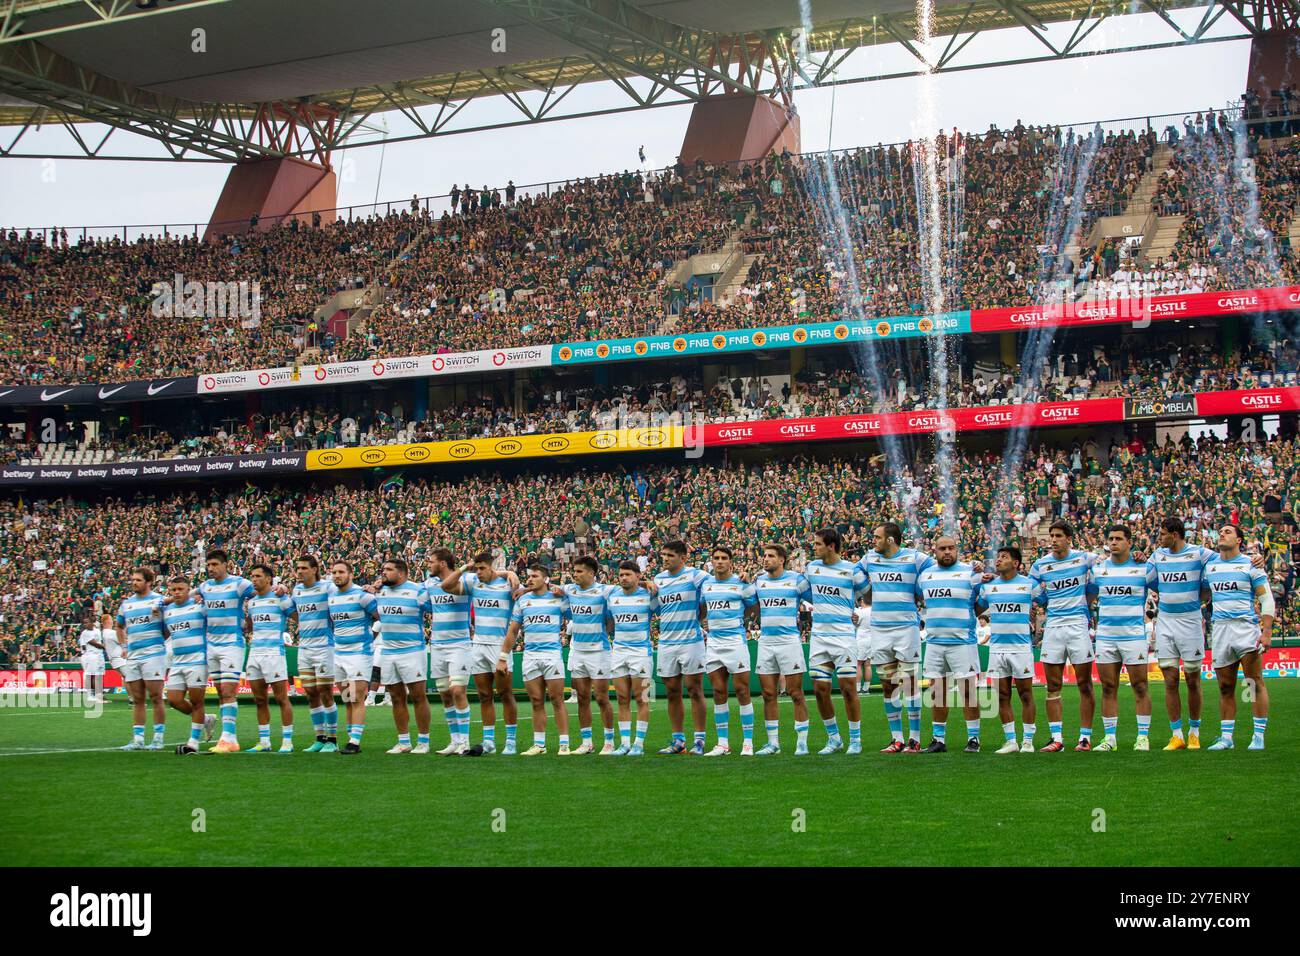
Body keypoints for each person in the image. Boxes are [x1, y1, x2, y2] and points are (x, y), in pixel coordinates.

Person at [859, 522, 934, 753]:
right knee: (888, 685)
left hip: (906, 629)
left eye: (877, 537)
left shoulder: (915, 558)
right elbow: (856, 573)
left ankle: (914, 739)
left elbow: (936, 571)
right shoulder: (870, 558)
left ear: (890, 540)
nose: (874, 540)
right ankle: (896, 739)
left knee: (910, 684)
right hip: (879, 629)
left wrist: (922, 592)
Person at [438, 554, 520, 754]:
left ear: (492, 567)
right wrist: (466, 567)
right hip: (478, 646)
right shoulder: (473, 581)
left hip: (499, 647)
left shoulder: (508, 584)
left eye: (482, 568)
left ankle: (510, 741)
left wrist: (508, 572)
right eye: (477, 569)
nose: (479, 572)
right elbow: (446, 586)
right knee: (484, 695)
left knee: (505, 694)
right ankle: (489, 742)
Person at [1029, 521, 1097, 752]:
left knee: (1084, 684)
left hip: (1078, 624)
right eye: (1051, 535)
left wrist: (1086, 603)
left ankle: (1085, 737)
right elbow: (1033, 588)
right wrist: (1047, 603)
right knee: (1053, 685)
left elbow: (1098, 580)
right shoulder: (1041, 565)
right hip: (1054, 626)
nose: (1053, 540)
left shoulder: (1085, 558)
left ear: (1069, 538)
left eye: (1058, 535)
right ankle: (1056, 738)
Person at [1204, 526, 1273, 751]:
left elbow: (1267, 599)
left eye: (1227, 532)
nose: (1221, 534)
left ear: (1239, 540)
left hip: (1245, 628)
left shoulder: (1250, 565)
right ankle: (1227, 738)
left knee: (1252, 683)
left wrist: (1266, 632)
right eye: (1220, 532)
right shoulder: (1210, 566)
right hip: (1221, 629)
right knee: (1225, 686)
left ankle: (1258, 736)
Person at [1089, 525, 1156, 751]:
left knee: (1140, 686)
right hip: (1106, 636)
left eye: (1118, 538)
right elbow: (1087, 595)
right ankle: (1110, 739)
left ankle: (1143, 737)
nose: (1114, 542)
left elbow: (1163, 586)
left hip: (1134, 636)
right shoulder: (1098, 570)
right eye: (1111, 538)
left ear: (1129, 542)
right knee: (1108, 687)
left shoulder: (1143, 569)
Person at [916, 535, 985, 753]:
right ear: (934, 551)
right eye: (942, 548)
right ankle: (938, 740)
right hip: (934, 642)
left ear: (957, 550)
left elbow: (981, 603)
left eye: (951, 548)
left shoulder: (971, 573)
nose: (947, 552)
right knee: (938, 693)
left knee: (968, 692)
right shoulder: (925, 576)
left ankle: (973, 738)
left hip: (962, 642)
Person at [804, 528, 870, 754]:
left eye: (818, 544)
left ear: (831, 546)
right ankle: (834, 738)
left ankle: (856, 739)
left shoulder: (851, 571)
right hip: (820, 637)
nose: (814, 548)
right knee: (820, 689)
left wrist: (854, 612)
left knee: (847, 688)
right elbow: (804, 592)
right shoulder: (811, 568)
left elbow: (869, 594)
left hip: (843, 637)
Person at [499, 564, 571, 756]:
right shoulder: (523, 601)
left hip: (552, 655)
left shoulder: (558, 599)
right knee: (536, 701)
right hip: (530, 656)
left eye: (534, 576)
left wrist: (564, 591)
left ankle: (564, 744)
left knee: (557, 699)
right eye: (528, 576)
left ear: (546, 579)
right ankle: (539, 744)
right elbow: (513, 630)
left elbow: (578, 611)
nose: (529, 579)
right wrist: (503, 656)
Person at [977, 546, 1037, 753]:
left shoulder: (1029, 585)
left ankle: (1028, 740)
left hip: (1020, 648)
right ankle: (1011, 741)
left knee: (1025, 694)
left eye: (1004, 557)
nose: (999, 560)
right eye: (998, 557)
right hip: (997, 648)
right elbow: (977, 606)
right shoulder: (989, 587)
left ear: (1016, 563)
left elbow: (1047, 600)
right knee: (1002, 695)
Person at [753, 543, 811, 756]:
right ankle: (773, 743)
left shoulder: (797, 580)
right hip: (766, 642)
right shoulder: (759, 581)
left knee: (796, 693)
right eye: (764, 555)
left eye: (770, 556)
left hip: (789, 641)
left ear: (782, 560)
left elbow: (818, 600)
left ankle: (802, 742)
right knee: (768, 694)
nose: (765, 559)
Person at [652, 540, 709, 755]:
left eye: (670, 555)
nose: (665, 558)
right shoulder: (659, 579)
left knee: (695, 690)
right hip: (666, 642)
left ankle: (700, 740)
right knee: (672, 692)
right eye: (663, 555)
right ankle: (678, 741)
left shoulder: (697, 576)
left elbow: (709, 597)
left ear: (683, 557)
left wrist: (698, 617)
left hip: (691, 642)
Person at [699, 546, 757, 756]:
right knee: (719, 692)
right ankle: (723, 744)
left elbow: (754, 605)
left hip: (735, 642)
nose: (720, 561)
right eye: (716, 558)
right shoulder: (706, 584)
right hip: (714, 644)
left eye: (724, 558)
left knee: (742, 691)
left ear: (731, 562)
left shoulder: (741, 583)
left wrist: (742, 621)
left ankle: (748, 743)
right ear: (711, 561)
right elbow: (701, 608)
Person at [373, 558, 433, 754]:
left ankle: (423, 742)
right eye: (384, 569)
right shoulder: (380, 591)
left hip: (412, 650)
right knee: (396, 697)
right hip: (388, 651)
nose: (384, 573)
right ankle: (404, 741)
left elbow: (436, 608)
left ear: (401, 573)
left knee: (418, 696)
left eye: (388, 570)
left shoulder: (417, 591)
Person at [198, 550, 254, 753]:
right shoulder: (205, 587)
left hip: (232, 644)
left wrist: (250, 619)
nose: (211, 569)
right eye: (208, 565)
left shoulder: (240, 584)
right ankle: (227, 736)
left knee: (230, 690)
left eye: (214, 564)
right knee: (221, 691)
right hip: (211, 645)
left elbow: (263, 593)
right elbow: (188, 596)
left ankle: (229, 739)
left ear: (225, 564)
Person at [562, 555, 616, 755]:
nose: (575, 575)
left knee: (602, 698)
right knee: (582, 698)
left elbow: (611, 621)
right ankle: (587, 742)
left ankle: (609, 742)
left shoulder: (605, 591)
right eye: (574, 571)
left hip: (599, 651)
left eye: (579, 571)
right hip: (578, 652)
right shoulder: (569, 590)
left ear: (592, 573)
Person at [424, 548, 473, 755]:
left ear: (443, 563)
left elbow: (492, 576)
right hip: (437, 645)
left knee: (458, 691)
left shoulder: (467, 579)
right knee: (444, 694)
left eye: (431, 561)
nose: (428, 565)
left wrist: (511, 573)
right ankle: (454, 741)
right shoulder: (428, 585)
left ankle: (465, 741)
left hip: (459, 644)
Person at [242, 563, 296, 753]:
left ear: (268, 579)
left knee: (282, 698)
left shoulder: (281, 599)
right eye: (252, 576)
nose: (254, 580)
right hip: (255, 652)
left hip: (274, 654)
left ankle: (287, 741)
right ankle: (264, 742)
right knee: (259, 699)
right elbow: (249, 625)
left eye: (258, 576)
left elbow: (299, 618)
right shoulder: (253, 602)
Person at [329, 560, 380, 754]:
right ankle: (351, 738)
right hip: (339, 653)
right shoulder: (332, 598)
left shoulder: (362, 597)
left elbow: (382, 617)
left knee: (357, 696)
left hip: (359, 652)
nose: (337, 575)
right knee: (347, 698)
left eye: (341, 572)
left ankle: (355, 741)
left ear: (351, 574)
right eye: (334, 572)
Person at [115, 568, 168, 751]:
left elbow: (168, 626)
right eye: (133, 579)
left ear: (148, 582)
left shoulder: (158, 601)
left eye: (138, 580)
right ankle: (138, 739)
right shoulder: (126, 604)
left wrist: (159, 640)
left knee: (156, 697)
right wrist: (123, 647)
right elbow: (119, 626)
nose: (134, 582)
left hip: (154, 655)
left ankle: (158, 738)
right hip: (133, 656)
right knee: (137, 698)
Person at [607, 560, 655, 755]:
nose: (624, 578)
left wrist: (647, 583)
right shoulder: (612, 596)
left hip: (641, 653)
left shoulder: (648, 596)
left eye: (628, 574)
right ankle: (625, 743)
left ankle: (639, 744)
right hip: (618, 652)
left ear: (637, 576)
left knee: (642, 698)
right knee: (621, 698)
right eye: (621, 575)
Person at [290, 555, 338, 753]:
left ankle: (332, 740)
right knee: (310, 693)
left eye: (303, 568)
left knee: (325, 692)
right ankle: (319, 737)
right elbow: (294, 613)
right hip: (304, 648)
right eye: (298, 568)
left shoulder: (328, 588)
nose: (299, 571)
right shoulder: (297, 590)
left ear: (314, 569)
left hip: (324, 647)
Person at [160, 576, 213, 754]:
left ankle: (193, 742)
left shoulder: (199, 607)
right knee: (174, 700)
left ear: (188, 589)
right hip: (177, 661)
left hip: (197, 660)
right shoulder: (168, 611)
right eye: (173, 589)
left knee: (197, 701)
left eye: (180, 589)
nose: (177, 592)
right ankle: (206, 719)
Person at [77, 612, 107, 705]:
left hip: (99, 655)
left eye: (87, 622)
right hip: (90, 656)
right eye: (84, 623)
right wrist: (107, 647)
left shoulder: (97, 630)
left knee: (99, 675)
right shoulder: (85, 633)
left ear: (92, 623)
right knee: (91, 675)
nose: (85, 624)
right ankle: (90, 696)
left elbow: (99, 642)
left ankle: (99, 696)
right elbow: (95, 644)